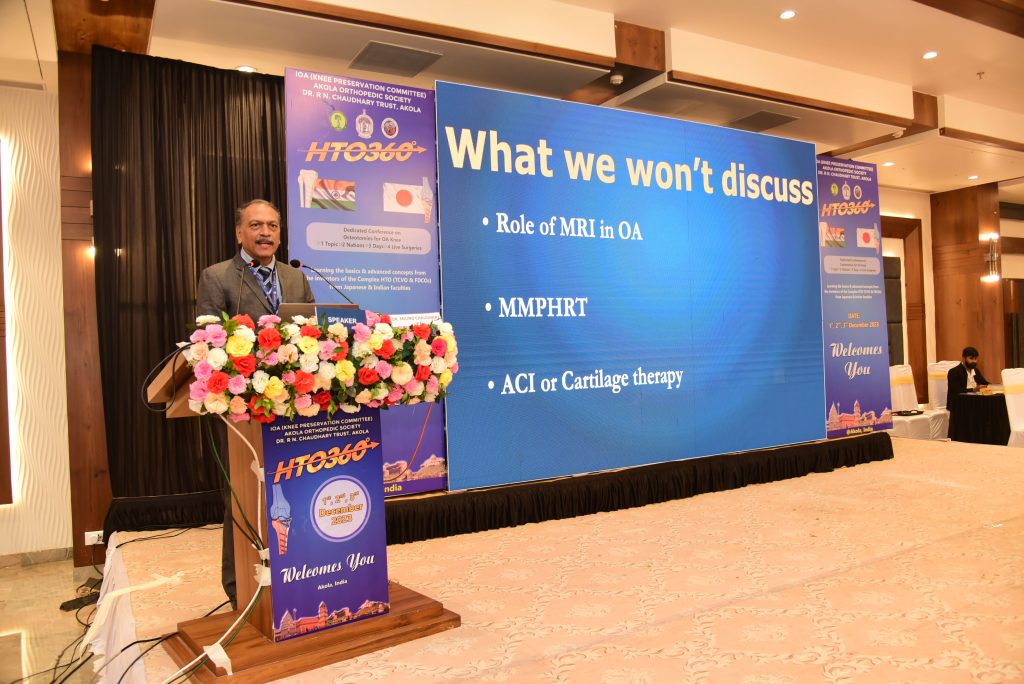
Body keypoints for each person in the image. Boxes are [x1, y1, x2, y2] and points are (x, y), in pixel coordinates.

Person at [195, 198, 315, 609]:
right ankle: (239, 589)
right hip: (241, 411)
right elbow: (206, 344)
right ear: (239, 233)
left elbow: (311, 334)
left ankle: (297, 574)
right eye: (256, 225)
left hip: (292, 405)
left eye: (273, 226)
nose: (266, 233)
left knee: (292, 493)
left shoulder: (295, 277)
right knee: (244, 497)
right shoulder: (217, 277)